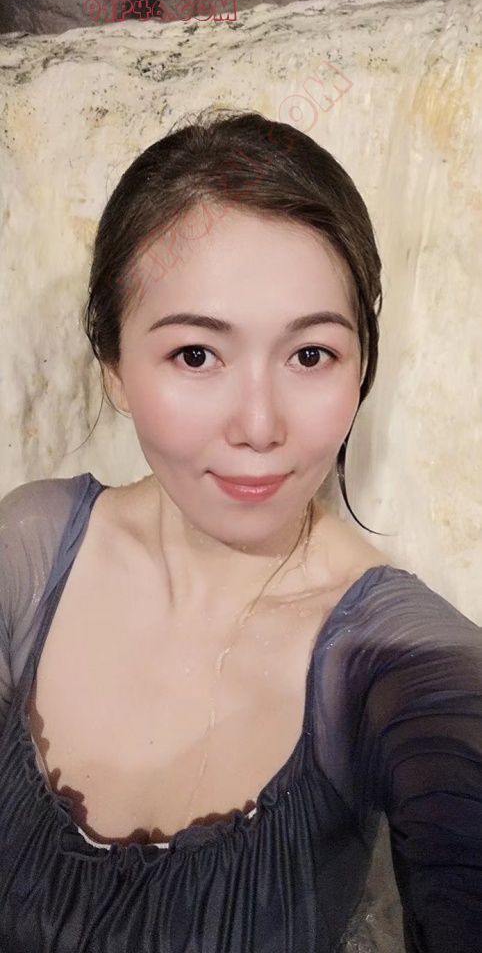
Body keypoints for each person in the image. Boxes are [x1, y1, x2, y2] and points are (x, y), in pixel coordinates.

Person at [0, 107, 480, 953]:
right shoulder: (31, 548)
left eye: (310, 355)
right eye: (196, 355)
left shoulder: (399, 658)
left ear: (361, 365)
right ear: (114, 368)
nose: (259, 426)